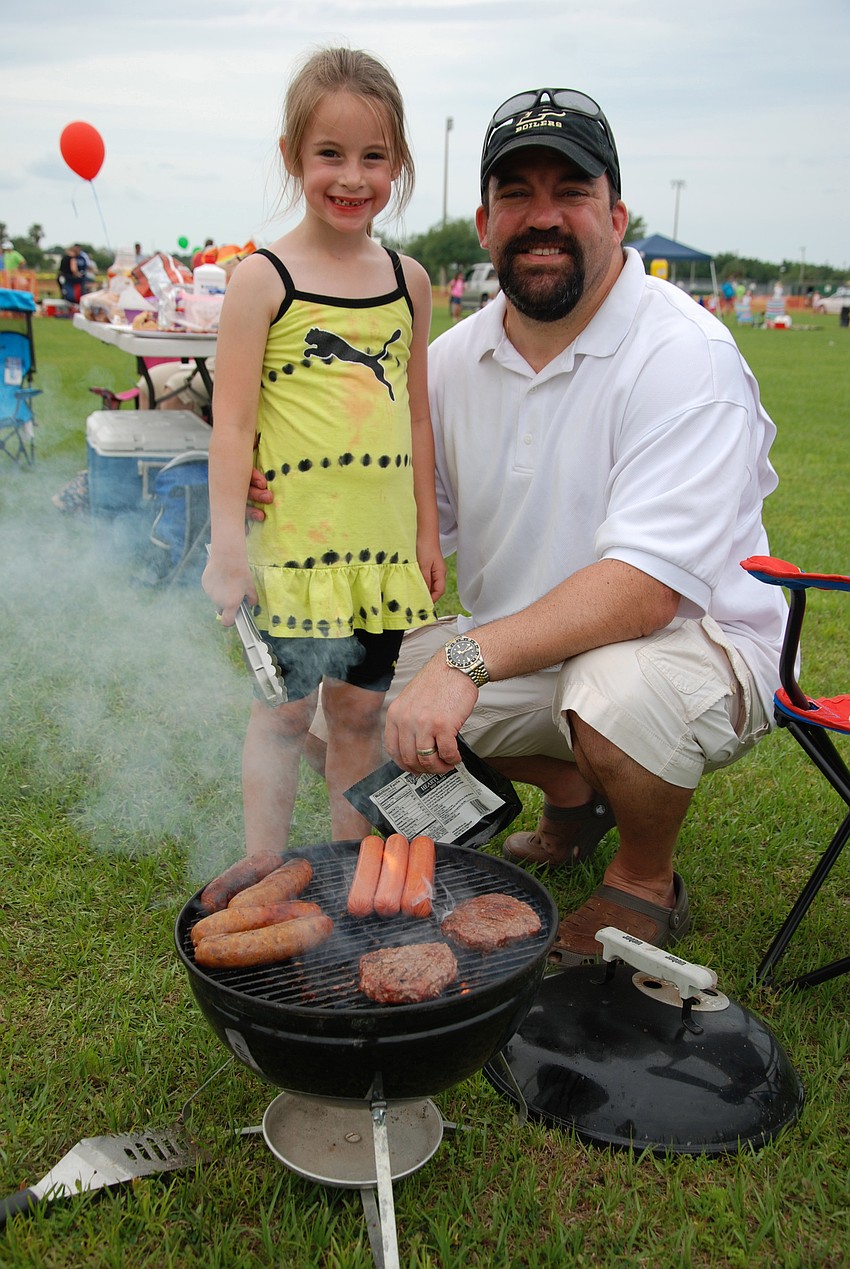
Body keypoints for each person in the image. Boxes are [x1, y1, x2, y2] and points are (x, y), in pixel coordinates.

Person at [252, 85, 786, 964]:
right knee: (332, 700)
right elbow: (398, 513)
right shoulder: (453, 362)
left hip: (694, 646)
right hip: (522, 650)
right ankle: (573, 788)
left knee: (616, 689)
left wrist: (464, 660)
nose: (542, 217)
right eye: (516, 194)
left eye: (569, 192)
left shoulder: (683, 352)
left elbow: (647, 592)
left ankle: (646, 879)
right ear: (483, 220)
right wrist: (274, 484)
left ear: (615, 213)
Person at [202, 46, 445, 857]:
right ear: (292, 158)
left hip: (377, 550)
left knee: (360, 714)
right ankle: (263, 864)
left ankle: (348, 871)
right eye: (329, 155)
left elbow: (414, 417)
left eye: (374, 157)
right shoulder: (262, 281)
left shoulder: (409, 280)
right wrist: (228, 549)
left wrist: (423, 538)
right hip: (296, 550)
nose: (352, 177)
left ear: (399, 163)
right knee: (280, 714)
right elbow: (231, 426)